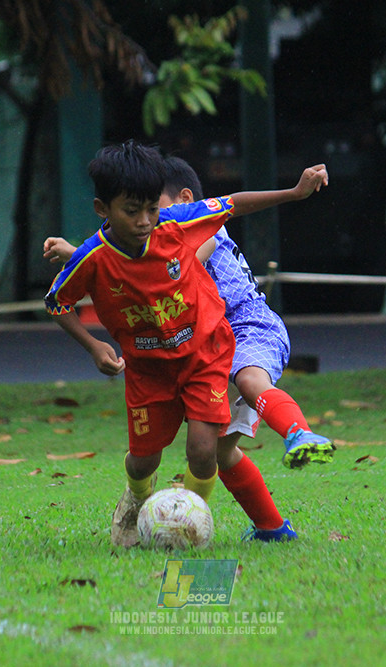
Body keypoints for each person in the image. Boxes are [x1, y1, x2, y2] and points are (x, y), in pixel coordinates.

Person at [44, 141, 328, 546]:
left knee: (204, 449)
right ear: (102, 209)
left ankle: (185, 525)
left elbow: (233, 203)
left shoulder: (177, 223)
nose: (145, 221)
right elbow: (58, 301)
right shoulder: (90, 258)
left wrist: (293, 193)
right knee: (143, 462)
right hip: (147, 368)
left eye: (152, 209)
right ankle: (137, 501)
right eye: (132, 210)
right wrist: (93, 346)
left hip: (204, 352)